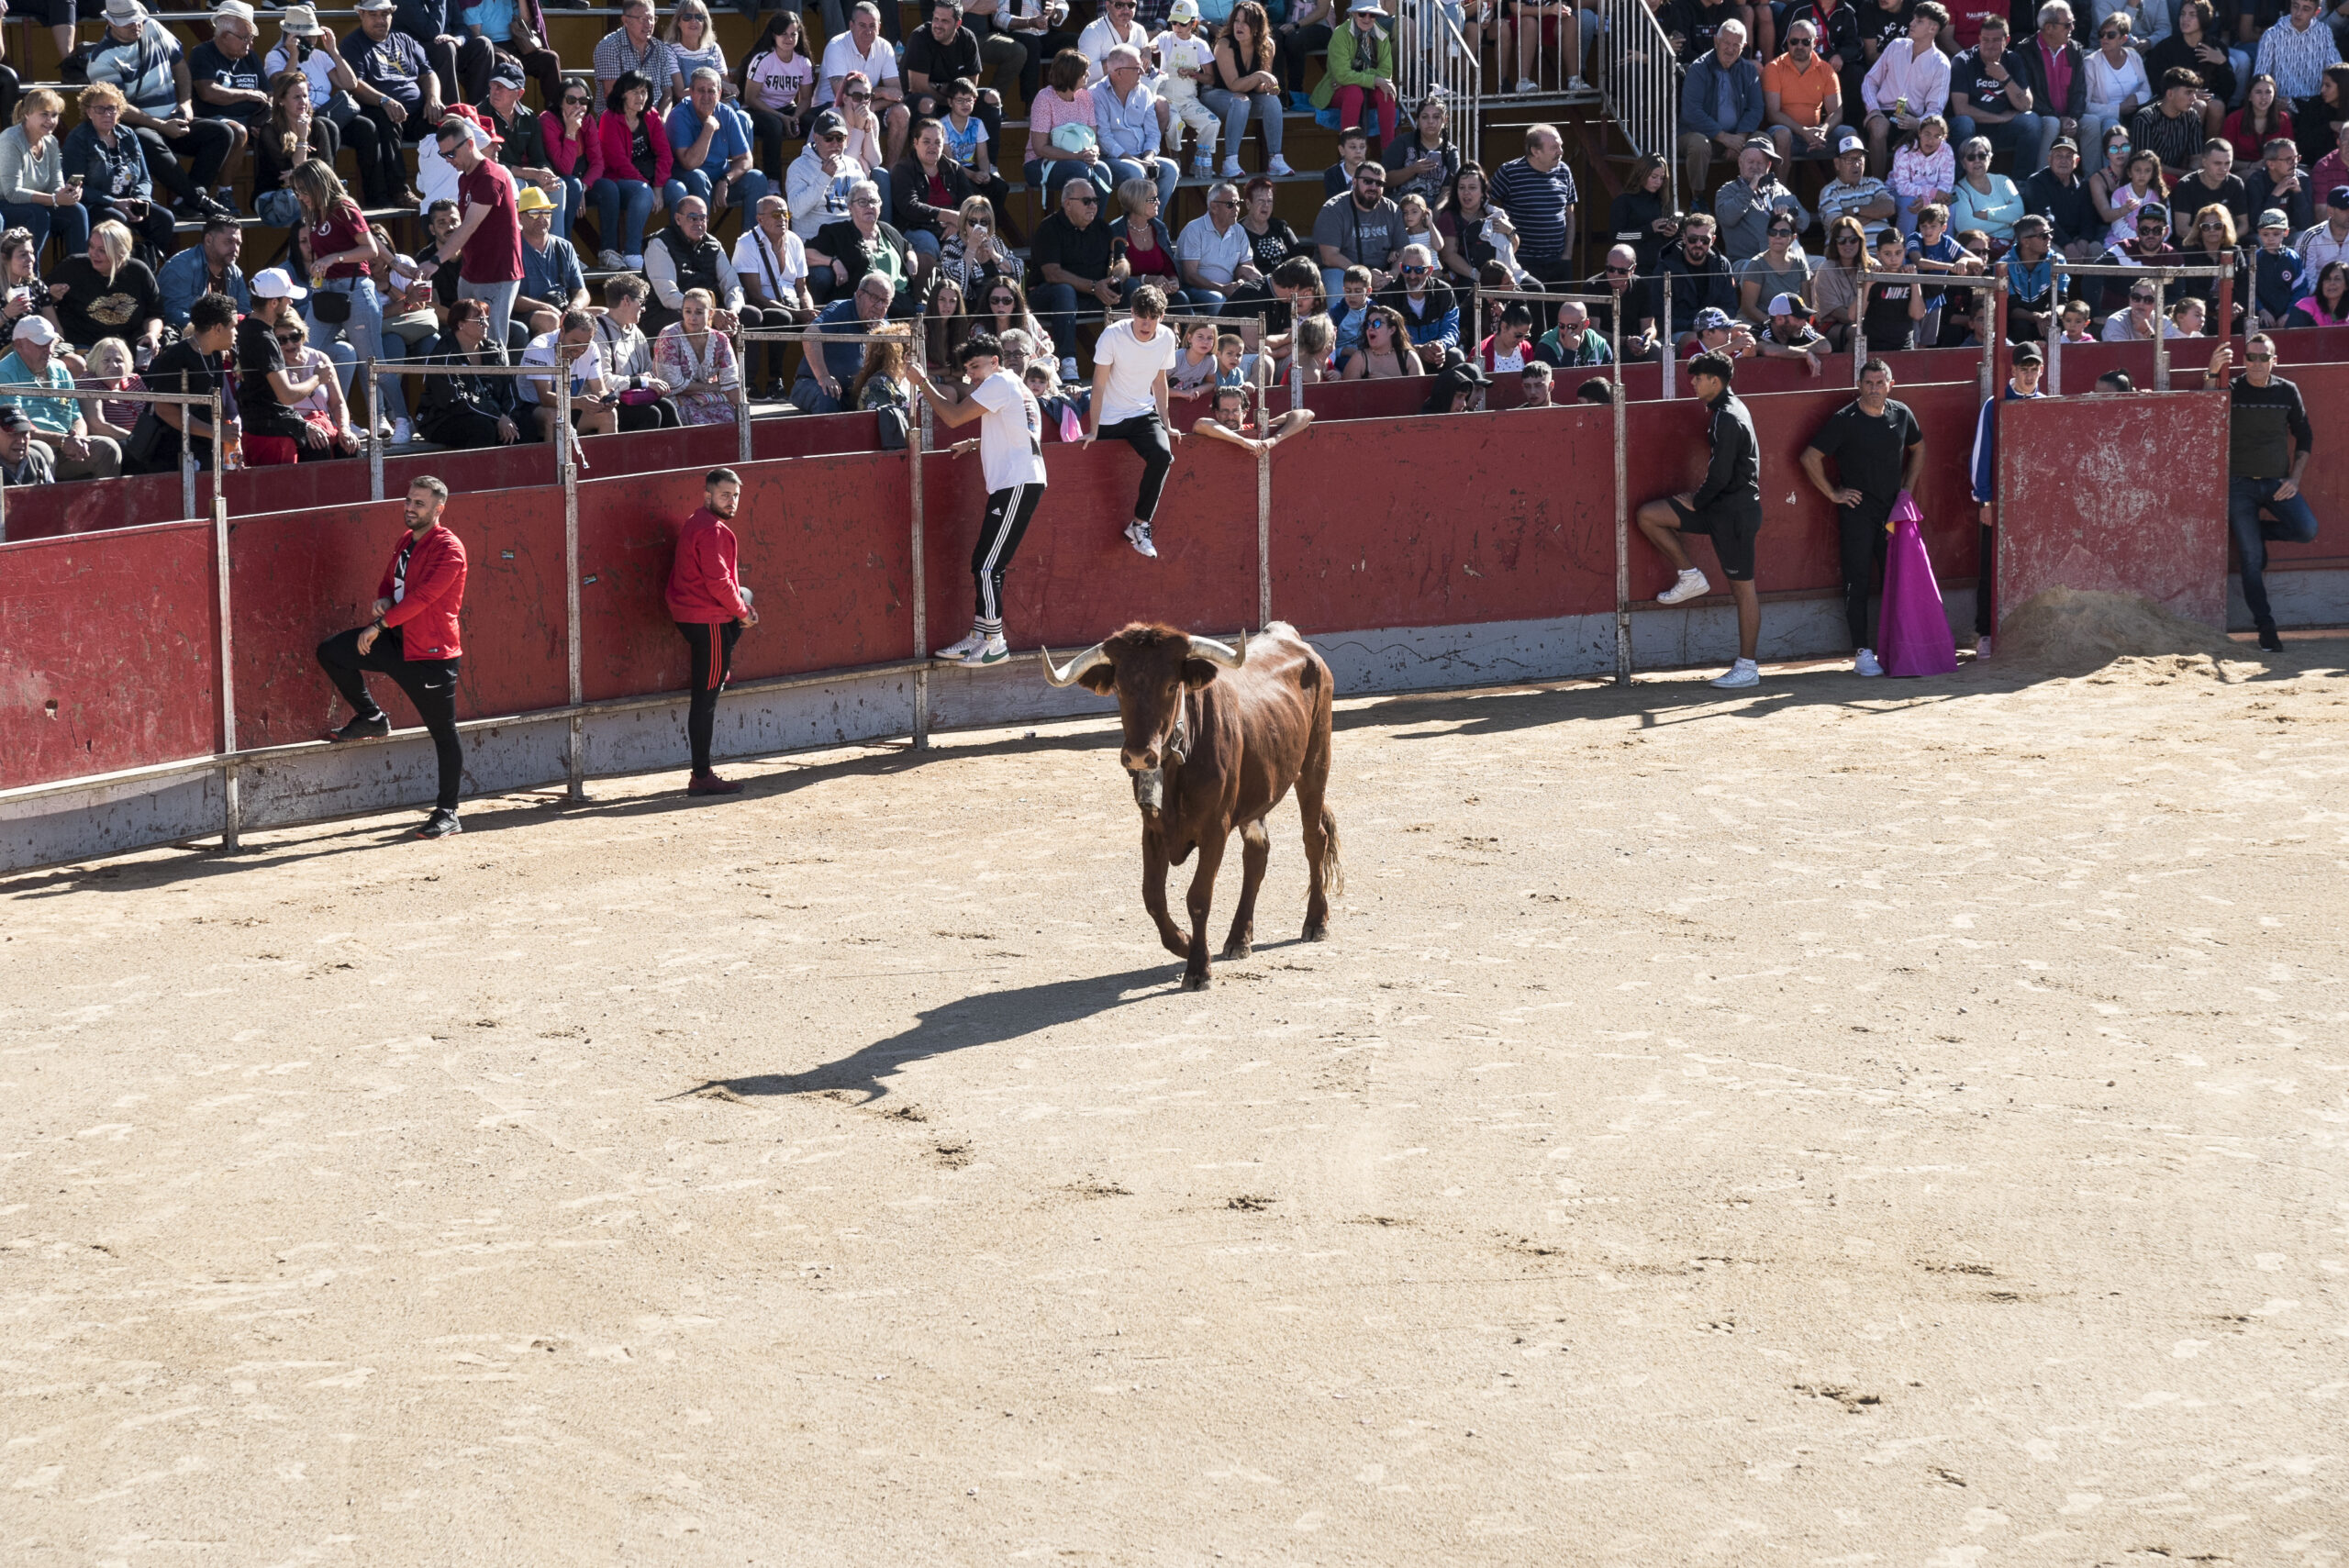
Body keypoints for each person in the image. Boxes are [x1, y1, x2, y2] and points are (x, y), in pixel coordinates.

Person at [316, 477, 469, 840]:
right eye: (409, 500)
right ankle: (371, 717)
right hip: (398, 639)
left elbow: (425, 598)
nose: (410, 508)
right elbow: (391, 582)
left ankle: (448, 813)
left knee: (443, 734)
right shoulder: (406, 541)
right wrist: (384, 599)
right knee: (332, 651)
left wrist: (379, 624)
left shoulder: (450, 548)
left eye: (420, 503)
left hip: (430, 654)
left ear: (438, 510)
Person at [910, 331, 1048, 667]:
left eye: (975, 366)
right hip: (1017, 481)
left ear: (996, 362)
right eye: (967, 369)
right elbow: (1019, 430)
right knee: (985, 564)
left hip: (1017, 482)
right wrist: (975, 443)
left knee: (987, 566)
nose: (970, 374)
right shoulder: (1011, 385)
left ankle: (995, 641)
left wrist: (922, 383)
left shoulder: (999, 384)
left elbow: (953, 417)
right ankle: (980, 634)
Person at [1635, 350, 1765, 688]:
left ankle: (1748, 667)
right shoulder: (1726, 410)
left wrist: (1698, 500)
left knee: (1743, 589)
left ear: (1715, 381)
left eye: (1697, 378)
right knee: (1649, 515)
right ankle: (1689, 574)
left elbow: (1720, 475)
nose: (1692, 382)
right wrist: (1703, 501)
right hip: (1719, 508)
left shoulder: (1728, 416)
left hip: (1733, 512)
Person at [1801, 358, 1925, 677]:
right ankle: (1862, 651)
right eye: (1868, 383)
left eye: (1880, 383)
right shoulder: (1845, 419)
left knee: (1894, 581)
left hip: (1892, 512)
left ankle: (1895, 645)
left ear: (1890, 385)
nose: (1874, 389)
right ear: (1859, 385)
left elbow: (1919, 447)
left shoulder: (1901, 413)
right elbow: (1810, 457)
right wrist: (1832, 493)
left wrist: (1906, 491)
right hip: (1856, 512)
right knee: (1857, 581)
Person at [2204, 335, 2318, 651]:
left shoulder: (2286, 390)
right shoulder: (2232, 387)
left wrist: (2294, 479)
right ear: (2243, 360)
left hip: (2276, 482)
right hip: (2238, 484)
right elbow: (2206, 414)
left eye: (2263, 358)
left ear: (2274, 361)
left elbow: (2305, 435)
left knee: (2307, 530)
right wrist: (2212, 372)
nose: (2256, 363)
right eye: (2251, 358)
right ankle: (2266, 628)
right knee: (2252, 560)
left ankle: (2255, 532)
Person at [82, 0, 239, 222]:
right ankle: (197, 199)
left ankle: (189, 200)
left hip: (172, 116)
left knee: (222, 133)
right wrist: (160, 124)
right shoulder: (101, 59)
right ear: (110, 22)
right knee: (145, 140)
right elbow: (118, 107)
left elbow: (180, 65)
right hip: (139, 125)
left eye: (137, 20)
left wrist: (185, 103)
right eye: (128, 23)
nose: (136, 25)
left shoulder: (153, 26)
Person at [663, 467, 761, 794]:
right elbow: (718, 583)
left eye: (735, 496)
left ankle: (722, 669)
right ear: (708, 496)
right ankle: (701, 776)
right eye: (724, 495)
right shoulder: (713, 531)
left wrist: (741, 608)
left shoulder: (698, 520)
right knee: (705, 701)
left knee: (744, 594)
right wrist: (743, 614)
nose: (731, 502)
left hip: (690, 614)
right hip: (708, 621)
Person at [1088, 283, 1179, 558]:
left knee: (1163, 456)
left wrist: (1166, 423)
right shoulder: (1112, 335)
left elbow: (1160, 382)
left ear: (1161, 317)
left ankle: (1140, 525)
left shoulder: (1165, 338)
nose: (1147, 322)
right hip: (1109, 418)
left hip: (1142, 414)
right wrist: (1093, 430)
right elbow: (1098, 385)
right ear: (1131, 313)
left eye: (1153, 316)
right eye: (1142, 315)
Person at [1966, 339, 2045, 654]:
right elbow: (1981, 456)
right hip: (2000, 502)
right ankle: (1985, 632)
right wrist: (1984, 500)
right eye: (2023, 369)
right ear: (2013, 370)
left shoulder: (2047, 402)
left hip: (2032, 504)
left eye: (2033, 369)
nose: (2028, 375)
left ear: (2041, 370)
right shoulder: (1994, 403)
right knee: (1990, 567)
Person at [434, 111, 523, 353]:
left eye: (451, 153)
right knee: (467, 341)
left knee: (492, 344)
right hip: (472, 271)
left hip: (497, 273)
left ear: (470, 143)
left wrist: (435, 261)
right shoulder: (465, 178)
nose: (449, 160)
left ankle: (500, 392)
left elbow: (469, 225)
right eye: (444, 155)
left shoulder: (491, 176)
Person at [122, 288, 232, 474]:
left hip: (205, 450)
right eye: (233, 326)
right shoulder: (176, 357)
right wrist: (215, 431)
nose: (236, 332)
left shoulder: (214, 355)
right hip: (172, 456)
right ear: (218, 328)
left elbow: (216, 404)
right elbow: (164, 409)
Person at [61, 83, 174, 258]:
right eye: (100, 109)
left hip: (129, 200)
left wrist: (141, 199)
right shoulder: (78, 139)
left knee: (164, 218)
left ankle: (145, 265)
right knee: (117, 221)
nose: (107, 114)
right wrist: (114, 202)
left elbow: (144, 178)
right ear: (89, 112)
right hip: (97, 204)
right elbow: (75, 185)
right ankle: (126, 267)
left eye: (112, 109)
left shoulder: (128, 134)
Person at [343, 0, 438, 208]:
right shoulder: (352, 44)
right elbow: (354, 85)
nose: (380, 20)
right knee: (385, 120)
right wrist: (384, 100)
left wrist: (433, 99)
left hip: (417, 112)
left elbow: (428, 74)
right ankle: (399, 191)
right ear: (361, 15)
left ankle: (445, 192)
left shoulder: (405, 40)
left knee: (449, 124)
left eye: (385, 14)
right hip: (379, 110)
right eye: (374, 15)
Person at [0, 315, 120, 479]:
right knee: (42, 451)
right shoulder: (5, 372)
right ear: (19, 344)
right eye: (41, 344)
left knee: (108, 447)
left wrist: (77, 439)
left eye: (52, 344)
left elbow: (76, 417)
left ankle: (104, 503)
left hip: (65, 446)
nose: (49, 351)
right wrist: (62, 441)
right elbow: (15, 428)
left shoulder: (60, 370)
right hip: (29, 445)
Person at [417, 295, 522, 447]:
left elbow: (510, 391)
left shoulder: (494, 351)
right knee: (483, 428)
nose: (486, 324)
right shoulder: (443, 356)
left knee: (524, 424)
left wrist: (508, 418)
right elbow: (456, 400)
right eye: (480, 320)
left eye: (487, 319)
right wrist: (498, 417)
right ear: (461, 324)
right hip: (443, 418)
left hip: (490, 412)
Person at [45, 218, 160, 357]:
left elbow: (155, 314)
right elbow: (39, 300)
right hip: (82, 347)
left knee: (157, 351)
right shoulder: (72, 267)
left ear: (121, 253)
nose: (93, 254)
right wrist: (51, 297)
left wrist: (151, 334)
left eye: (102, 250)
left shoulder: (139, 272)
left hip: (127, 347)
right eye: (91, 246)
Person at [591, 71, 670, 270]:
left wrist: (659, 187)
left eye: (644, 92)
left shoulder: (652, 116)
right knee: (642, 192)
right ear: (622, 94)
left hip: (652, 179)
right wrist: (648, 186)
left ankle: (680, 251)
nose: (640, 97)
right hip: (619, 179)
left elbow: (665, 154)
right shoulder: (609, 118)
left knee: (679, 191)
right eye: (634, 92)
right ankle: (632, 252)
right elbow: (618, 162)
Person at [1, 91, 92, 264]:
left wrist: (67, 194)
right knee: (37, 213)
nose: (50, 120)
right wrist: (54, 199)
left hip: (38, 203)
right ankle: (31, 279)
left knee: (77, 211)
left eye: (54, 115)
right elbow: (12, 193)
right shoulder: (10, 140)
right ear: (27, 114)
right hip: (5, 204)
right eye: (44, 114)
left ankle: (79, 273)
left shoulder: (51, 142)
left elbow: (55, 186)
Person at [1680, 18, 1765, 201]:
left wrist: (1740, 139)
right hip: (1701, 134)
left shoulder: (1749, 70)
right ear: (1716, 41)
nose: (1730, 49)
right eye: (1726, 42)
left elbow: (1756, 108)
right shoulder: (1698, 68)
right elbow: (1691, 111)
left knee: (1763, 140)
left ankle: (1764, 194)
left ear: (1743, 47)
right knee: (1698, 144)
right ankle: (1697, 198)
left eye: (1736, 45)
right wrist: (1724, 137)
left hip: (1737, 136)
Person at [667, 66, 767, 223]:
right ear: (691, 93)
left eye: (711, 91)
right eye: (701, 90)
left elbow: (746, 159)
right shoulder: (678, 115)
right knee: (698, 177)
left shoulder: (727, 113)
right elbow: (689, 163)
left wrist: (726, 180)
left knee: (757, 178)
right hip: (689, 180)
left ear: (719, 94)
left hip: (719, 179)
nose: (706, 96)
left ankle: (751, 243)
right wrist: (708, 128)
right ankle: (699, 242)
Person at [1487, 123, 1580, 289]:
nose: (1560, 152)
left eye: (1560, 146)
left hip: (1558, 261)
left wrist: (1567, 254)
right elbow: (1486, 205)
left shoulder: (1564, 171)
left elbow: (1570, 214)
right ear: (1535, 151)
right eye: (1554, 147)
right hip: (1523, 262)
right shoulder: (1509, 172)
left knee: (1562, 311)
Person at [821, 2, 912, 165]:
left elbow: (897, 94)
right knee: (854, 110)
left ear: (879, 27)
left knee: (901, 112)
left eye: (872, 26)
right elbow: (842, 95)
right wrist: (882, 93)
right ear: (851, 25)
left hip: (866, 106)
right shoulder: (837, 46)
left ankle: (890, 173)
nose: (868, 31)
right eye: (862, 25)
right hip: (833, 107)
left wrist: (873, 106)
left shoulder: (884, 47)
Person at [1208, 2, 1292, 179]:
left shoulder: (1267, 44)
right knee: (1240, 99)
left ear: (1257, 27)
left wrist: (1268, 87)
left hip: (1246, 96)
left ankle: (1276, 159)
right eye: (1236, 21)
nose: (1239, 26)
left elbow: (1258, 88)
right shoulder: (1224, 44)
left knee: (1272, 100)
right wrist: (1260, 75)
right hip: (1215, 95)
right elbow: (1233, 85)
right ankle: (1229, 161)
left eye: (1246, 22)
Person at [1949, 14, 2043, 161]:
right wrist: (2000, 118)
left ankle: (2023, 181)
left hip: (2003, 130)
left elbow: (2026, 105)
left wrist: (2004, 78)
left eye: (1996, 40)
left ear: (2007, 40)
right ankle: (1959, 179)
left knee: (2032, 121)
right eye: (1985, 40)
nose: (1990, 45)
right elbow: (1961, 110)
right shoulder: (1962, 61)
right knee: (1963, 123)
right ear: (1979, 39)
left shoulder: (2013, 60)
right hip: (1974, 127)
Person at [742, 12, 817, 184]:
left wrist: (795, 118)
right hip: (758, 110)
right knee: (774, 126)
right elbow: (750, 98)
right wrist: (782, 118)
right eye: (783, 34)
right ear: (774, 35)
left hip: (787, 109)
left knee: (816, 124)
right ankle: (773, 182)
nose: (788, 38)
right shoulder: (763, 60)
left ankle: (813, 177)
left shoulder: (803, 63)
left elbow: (805, 98)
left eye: (793, 34)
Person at [1316, 0, 1399, 150]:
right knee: (1354, 92)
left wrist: (1359, 77)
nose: (1367, 19)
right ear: (1353, 14)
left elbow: (1385, 73)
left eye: (1372, 14)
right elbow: (1342, 76)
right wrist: (1375, 79)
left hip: (1367, 88)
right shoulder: (1340, 34)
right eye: (1362, 14)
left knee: (1386, 92)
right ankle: (1349, 151)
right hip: (1336, 91)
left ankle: (1389, 153)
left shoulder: (1382, 35)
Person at [655, 287, 742, 426]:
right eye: (688, 311)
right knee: (691, 418)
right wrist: (714, 387)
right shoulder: (669, 336)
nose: (692, 318)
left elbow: (731, 382)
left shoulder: (720, 339)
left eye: (699, 312)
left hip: (710, 398)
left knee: (729, 415)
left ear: (711, 313)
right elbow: (673, 384)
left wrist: (743, 412)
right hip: (676, 398)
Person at [1765, 17, 1846, 163]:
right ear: (1788, 41)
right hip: (1786, 134)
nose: (1799, 46)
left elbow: (1836, 112)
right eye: (1794, 41)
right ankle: (1778, 186)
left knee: (1849, 136)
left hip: (1817, 135)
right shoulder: (1773, 68)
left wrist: (1823, 130)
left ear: (1815, 43)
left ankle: (1847, 186)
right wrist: (1803, 131)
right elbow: (1773, 114)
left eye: (1806, 42)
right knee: (1783, 135)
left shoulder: (1827, 70)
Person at [596, 0, 683, 112]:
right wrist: (640, 124)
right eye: (642, 19)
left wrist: (661, 122)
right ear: (626, 21)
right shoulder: (609, 46)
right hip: (619, 120)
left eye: (651, 19)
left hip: (654, 121)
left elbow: (667, 93)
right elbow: (612, 94)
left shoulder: (660, 48)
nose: (648, 25)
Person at [1192, 380, 1312, 449]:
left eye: (1235, 411)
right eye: (1225, 411)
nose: (1230, 417)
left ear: (1244, 413)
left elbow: (1306, 414)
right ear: (1216, 413)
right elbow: (1201, 424)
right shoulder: (1211, 428)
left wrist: (1274, 440)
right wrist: (1244, 442)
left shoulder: (1252, 428)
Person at [0, 403, 57, 486]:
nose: (21, 441)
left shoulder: (37, 459)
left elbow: (52, 494)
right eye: (12, 434)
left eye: (24, 433)